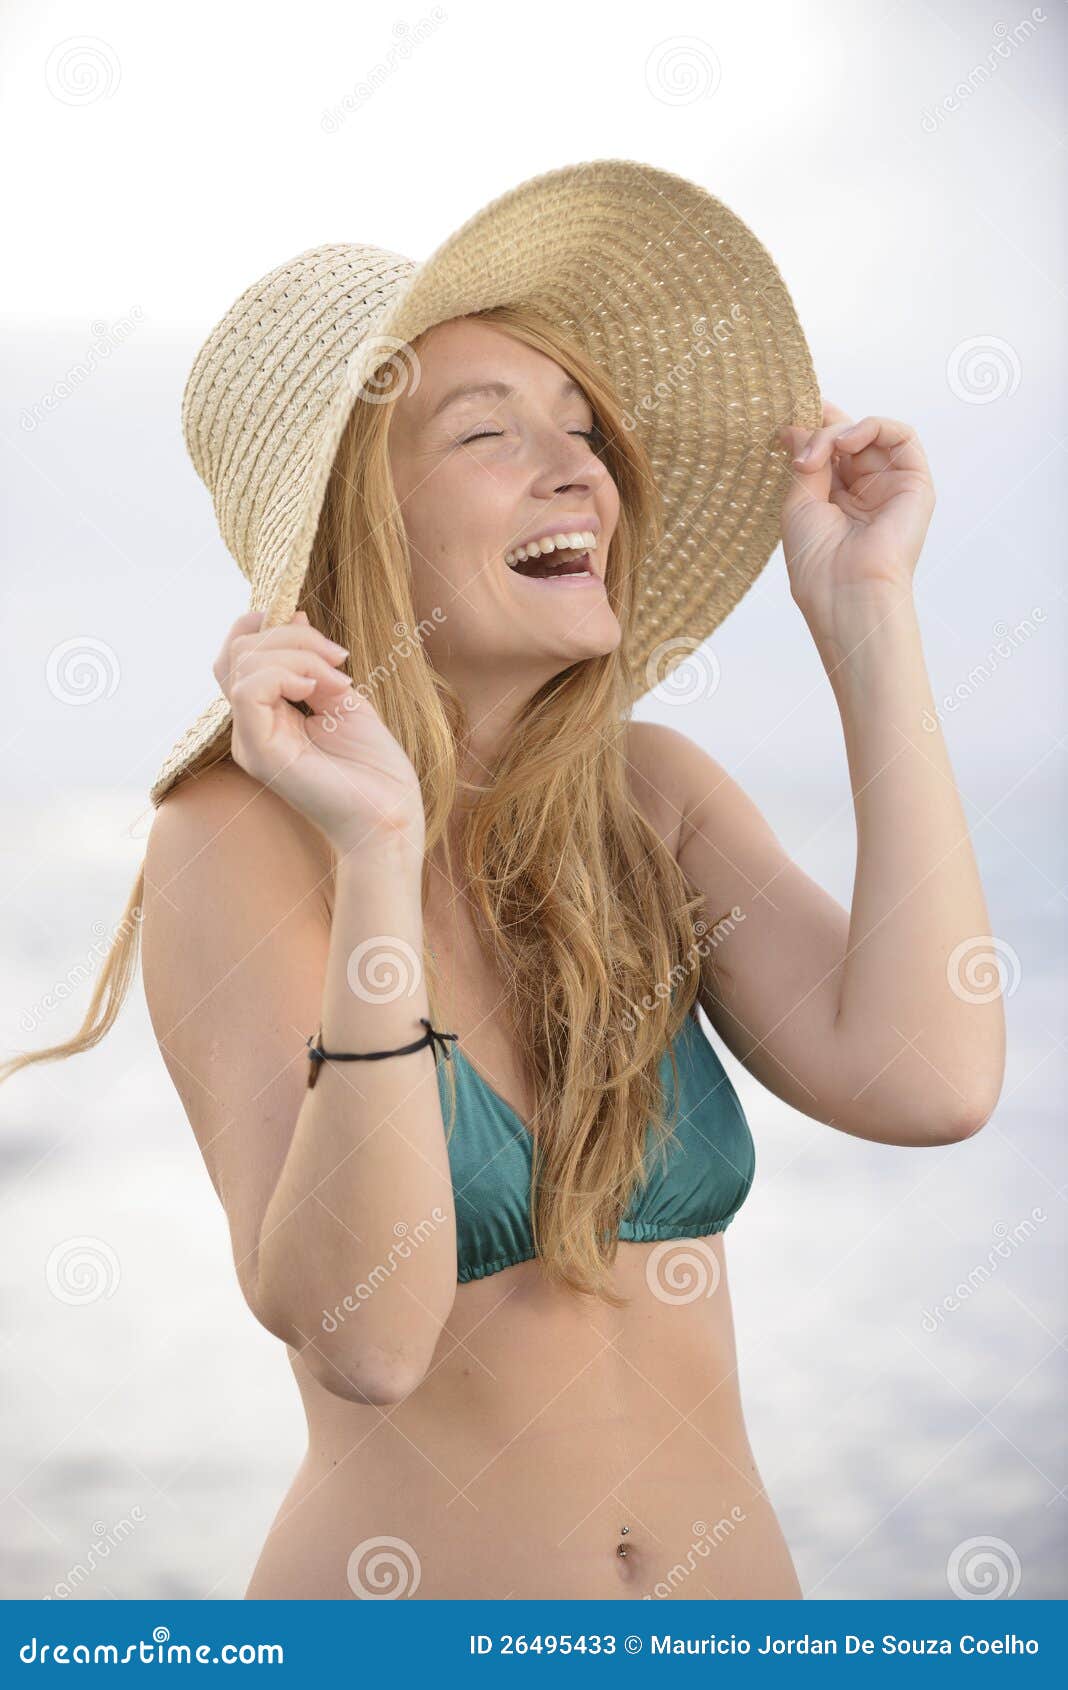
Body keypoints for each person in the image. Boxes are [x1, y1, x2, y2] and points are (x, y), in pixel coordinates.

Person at [1, 161, 1005, 1600]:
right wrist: (375, 855)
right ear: (360, 518)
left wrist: (869, 618)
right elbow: (368, 1333)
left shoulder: (650, 801)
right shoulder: (234, 840)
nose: (581, 466)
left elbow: (933, 1079)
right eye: (491, 431)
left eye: (583, 428)